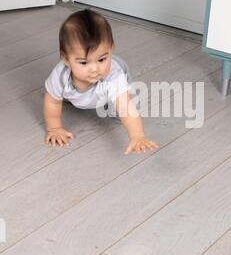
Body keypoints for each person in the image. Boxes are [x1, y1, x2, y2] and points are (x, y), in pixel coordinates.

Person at [44, 9, 159, 155]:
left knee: (121, 107)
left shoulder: (113, 76)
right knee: (61, 94)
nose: (94, 69)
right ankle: (76, 95)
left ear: (112, 50)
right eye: (84, 63)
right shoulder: (61, 76)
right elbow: (52, 101)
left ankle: (115, 92)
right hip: (78, 89)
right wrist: (54, 128)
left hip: (110, 85)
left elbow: (126, 109)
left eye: (102, 59)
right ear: (66, 59)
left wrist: (138, 136)